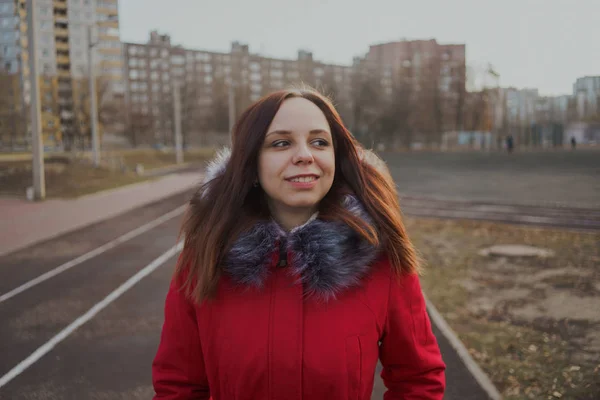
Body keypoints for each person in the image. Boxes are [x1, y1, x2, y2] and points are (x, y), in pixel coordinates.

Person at [152, 87, 446, 399]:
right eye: (281, 143)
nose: (305, 155)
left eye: (319, 141)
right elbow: (178, 387)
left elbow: (418, 381)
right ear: (251, 164)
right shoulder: (204, 260)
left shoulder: (380, 258)